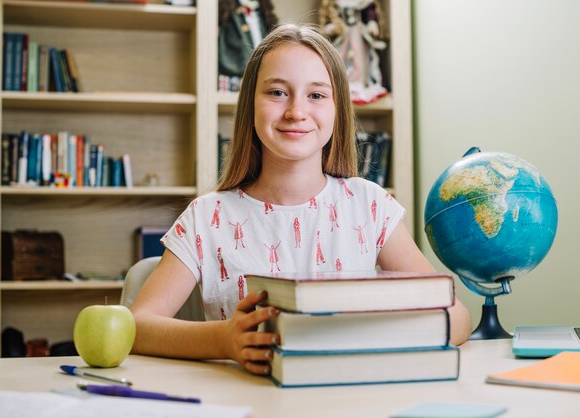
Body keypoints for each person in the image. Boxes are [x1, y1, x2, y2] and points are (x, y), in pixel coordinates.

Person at [130, 23, 472, 376]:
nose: (296, 111)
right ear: (251, 105)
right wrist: (223, 339)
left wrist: (380, 338)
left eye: (317, 95)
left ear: (338, 110)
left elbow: (457, 315)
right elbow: (138, 325)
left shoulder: (369, 206)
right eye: (277, 92)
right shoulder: (207, 216)